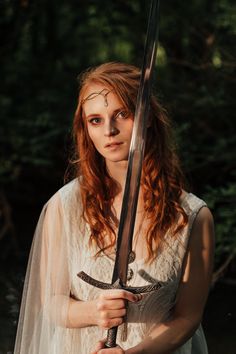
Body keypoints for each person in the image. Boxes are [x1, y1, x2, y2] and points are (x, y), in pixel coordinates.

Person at [14, 62, 214, 354]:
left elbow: (188, 317)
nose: (109, 130)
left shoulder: (192, 216)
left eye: (122, 114)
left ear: (146, 118)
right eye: (95, 120)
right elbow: (53, 302)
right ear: (85, 129)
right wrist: (94, 312)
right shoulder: (64, 207)